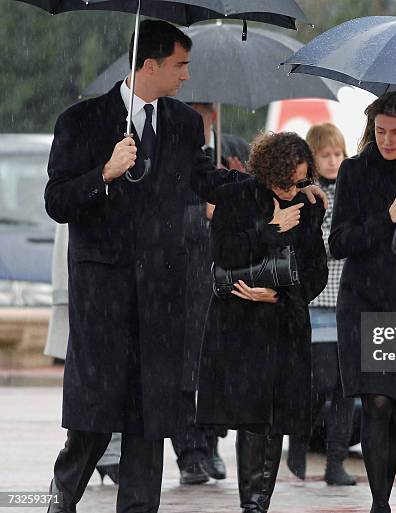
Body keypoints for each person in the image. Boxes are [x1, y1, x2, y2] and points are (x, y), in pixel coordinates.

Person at [44, 20, 254, 513]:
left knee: (149, 420)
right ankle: (61, 499)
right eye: (180, 65)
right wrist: (104, 173)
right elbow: (57, 200)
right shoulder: (81, 120)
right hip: (103, 297)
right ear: (150, 64)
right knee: (93, 420)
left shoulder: (183, 123)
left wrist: (261, 186)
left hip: (161, 296)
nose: (186, 76)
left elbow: (204, 179)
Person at [197, 132, 328, 513]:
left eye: (301, 182)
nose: (293, 191)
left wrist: (281, 293)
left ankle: (257, 504)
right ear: (267, 174)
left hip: (284, 322)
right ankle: (252, 505)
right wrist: (270, 229)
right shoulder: (237, 197)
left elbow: (316, 270)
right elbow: (222, 253)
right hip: (239, 323)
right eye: (285, 184)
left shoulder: (308, 204)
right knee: (252, 417)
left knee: (274, 418)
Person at [329, 91, 396, 513]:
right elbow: (339, 242)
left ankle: (384, 494)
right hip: (362, 300)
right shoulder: (353, 172)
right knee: (374, 400)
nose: (388, 141)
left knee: (394, 404)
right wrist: (386, 218)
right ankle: (380, 504)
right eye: (380, 132)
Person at [169, 102, 251, 485]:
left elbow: (256, 209)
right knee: (184, 370)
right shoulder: (170, 151)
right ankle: (189, 451)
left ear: (215, 115)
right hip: (184, 280)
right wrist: (200, 213)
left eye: (201, 113)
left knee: (220, 368)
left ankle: (213, 442)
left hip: (226, 276)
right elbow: (160, 216)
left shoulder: (235, 149)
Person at [286, 122, 356, 486]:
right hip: (317, 302)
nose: (333, 161)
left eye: (338, 154)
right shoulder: (307, 197)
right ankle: (298, 440)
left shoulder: (351, 192)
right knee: (320, 384)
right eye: (325, 155)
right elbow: (320, 244)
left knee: (346, 388)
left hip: (348, 303)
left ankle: (335, 461)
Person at [44, 224, 122, 485]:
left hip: (123, 283)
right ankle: (73, 477)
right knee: (93, 386)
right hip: (90, 287)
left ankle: (110, 454)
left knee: (119, 379)